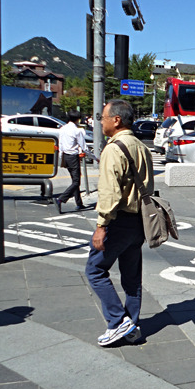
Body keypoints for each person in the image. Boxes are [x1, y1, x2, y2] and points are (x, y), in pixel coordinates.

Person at [85, 100, 153, 347]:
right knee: (132, 278)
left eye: (103, 117)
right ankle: (131, 327)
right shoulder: (141, 146)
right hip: (139, 222)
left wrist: (101, 225)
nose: (100, 121)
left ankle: (117, 320)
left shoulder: (113, 149)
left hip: (119, 221)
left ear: (116, 120)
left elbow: (110, 193)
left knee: (94, 270)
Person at [56, 110, 92, 213]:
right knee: (76, 182)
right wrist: (94, 157)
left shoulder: (62, 129)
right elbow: (84, 147)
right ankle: (61, 199)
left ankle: (79, 203)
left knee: (74, 180)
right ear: (77, 119)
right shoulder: (77, 130)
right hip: (73, 157)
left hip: (65, 156)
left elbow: (61, 145)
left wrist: (60, 158)